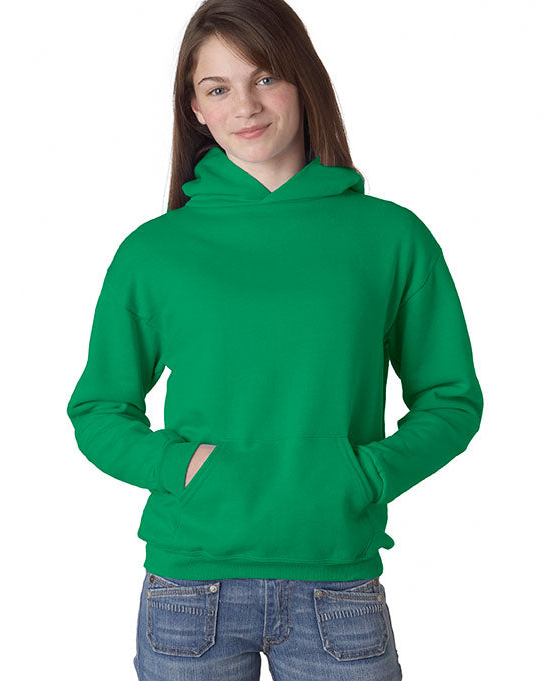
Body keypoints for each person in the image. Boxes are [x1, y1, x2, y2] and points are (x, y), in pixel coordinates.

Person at [66, 1, 483, 679]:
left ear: (303, 81)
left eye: (265, 78)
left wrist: (369, 475)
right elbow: (98, 409)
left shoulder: (390, 237)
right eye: (217, 88)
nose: (246, 106)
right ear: (194, 109)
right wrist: (180, 467)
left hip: (337, 587)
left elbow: (451, 398)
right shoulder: (155, 251)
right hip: (190, 587)